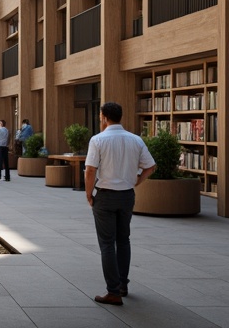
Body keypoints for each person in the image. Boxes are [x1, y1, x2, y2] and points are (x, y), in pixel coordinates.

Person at [84, 102, 156, 305]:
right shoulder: (135, 140)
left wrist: (89, 194)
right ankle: (123, 285)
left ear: (105, 117)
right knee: (124, 240)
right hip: (126, 196)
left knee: (107, 243)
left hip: (105, 196)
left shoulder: (98, 140)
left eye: (100, 116)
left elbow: (90, 170)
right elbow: (150, 167)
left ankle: (113, 291)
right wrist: (136, 181)